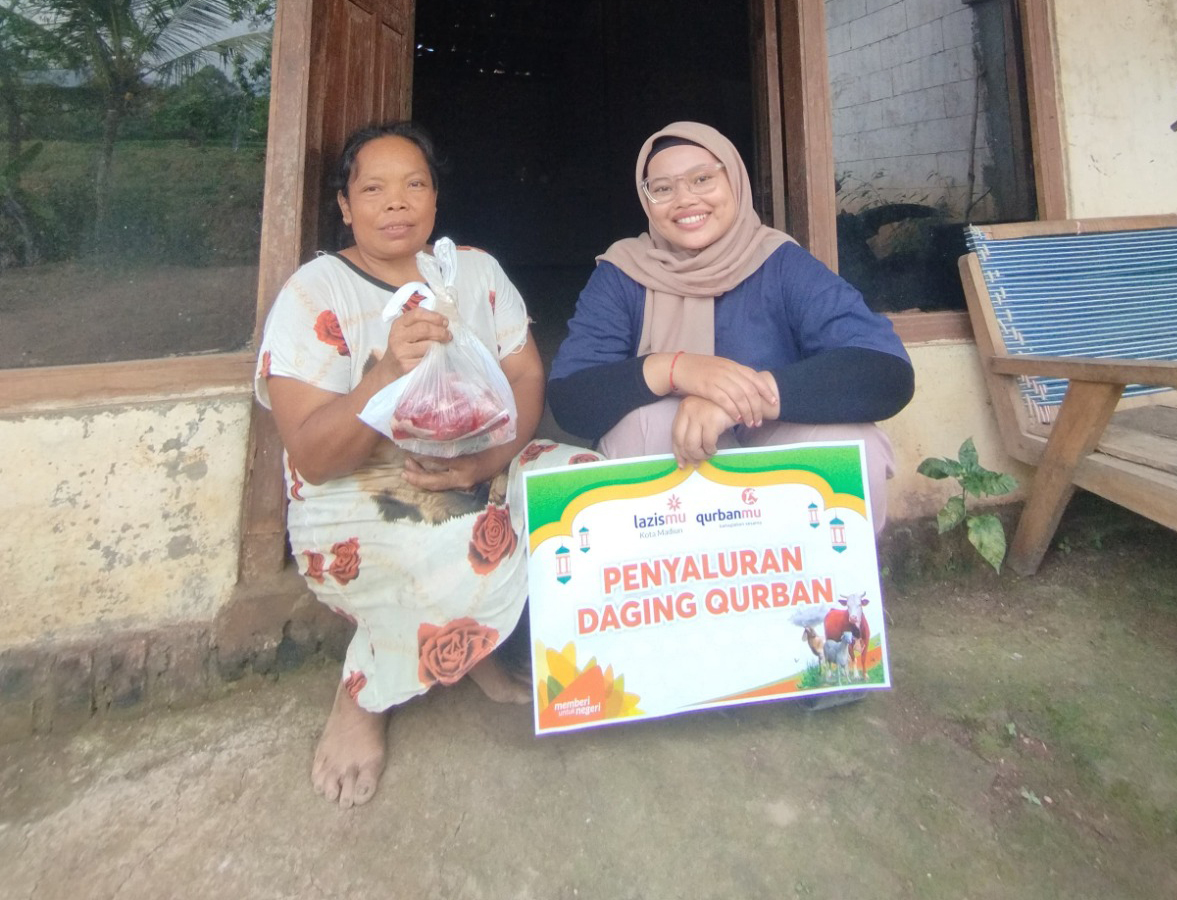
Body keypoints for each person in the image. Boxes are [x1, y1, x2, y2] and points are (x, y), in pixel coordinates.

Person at [255, 121, 598, 808]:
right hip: (359, 484)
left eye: (415, 184)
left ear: (436, 200)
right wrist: (382, 371)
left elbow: (526, 377)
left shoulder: (474, 271)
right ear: (346, 206)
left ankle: (476, 649)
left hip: (478, 458)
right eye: (373, 188)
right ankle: (364, 695)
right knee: (463, 546)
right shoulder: (313, 295)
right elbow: (314, 458)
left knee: (588, 490)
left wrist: (490, 462)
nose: (396, 202)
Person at [548, 121, 914, 529]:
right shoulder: (623, 272)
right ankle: (668, 588)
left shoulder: (781, 263)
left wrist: (739, 398)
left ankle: (818, 588)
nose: (685, 199)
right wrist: (673, 369)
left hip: (766, 445)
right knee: (644, 422)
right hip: (668, 475)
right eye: (663, 188)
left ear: (735, 181)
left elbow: (885, 372)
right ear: (646, 200)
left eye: (702, 179)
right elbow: (572, 401)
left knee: (855, 444)